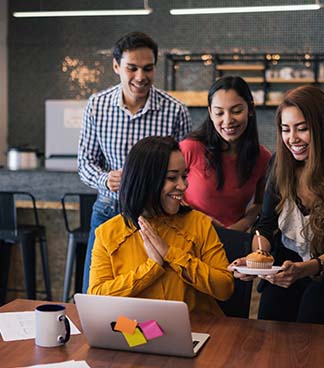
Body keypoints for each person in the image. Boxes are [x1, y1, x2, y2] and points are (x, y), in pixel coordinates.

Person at [231, 85, 324, 325]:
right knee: (270, 328)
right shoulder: (279, 164)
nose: (292, 139)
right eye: (285, 129)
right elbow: (265, 226)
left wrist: (305, 269)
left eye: (302, 129)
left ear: (322, 127)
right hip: (283, 267)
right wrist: (258, 259)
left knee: (313, 324)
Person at [78, 31, 192, 293]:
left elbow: (185, 169)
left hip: (156, 215)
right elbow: (85, 162)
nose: (141, 77)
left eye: (148, 68)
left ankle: (142, 335)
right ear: (117, 66)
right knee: (96, 294)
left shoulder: (175, 111)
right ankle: (106, 336)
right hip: (109, 211)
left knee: (152, 292)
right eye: (132, 68)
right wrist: (105, 179)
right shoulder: (97, 106)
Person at [88, 136, 233, 316]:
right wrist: (152, 268)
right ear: (145, 181)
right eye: (172, 177)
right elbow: (96, 299)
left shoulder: (199, 223)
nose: (183, 185)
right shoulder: (107, 233)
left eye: (184, 176)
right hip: (135, 330)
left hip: (197, 331)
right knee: (127, 339)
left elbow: (225, 288)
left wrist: (169, 253)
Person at [180, 76, 271, 231]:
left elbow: (260, 203)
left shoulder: (262, 157)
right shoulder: (190, 148)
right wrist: (200, 220)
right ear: (210, 112)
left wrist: (242, 225)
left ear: (250, 109)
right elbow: (167, 192)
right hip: (190, 234)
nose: (228, 120)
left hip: (232, 240)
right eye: (219, 113)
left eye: (236, 111)